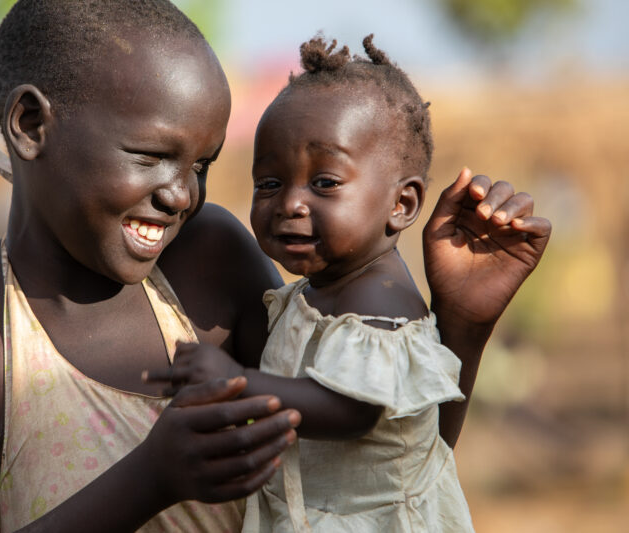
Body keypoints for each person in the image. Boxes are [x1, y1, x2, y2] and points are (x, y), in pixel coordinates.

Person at [0, 1, 550, 532]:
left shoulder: (210, 261)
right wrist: (150, 479)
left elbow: (386, 465)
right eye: (150, 156)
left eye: (202, 165)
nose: (182, 193)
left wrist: (460, 324)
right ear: (32, 125)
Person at [145, 35, 551, 532]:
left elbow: (352, 409)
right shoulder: (317, 292)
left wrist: (236, 381)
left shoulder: (380, 301)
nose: (290, 203)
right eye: (269, 183)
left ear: (401, 205)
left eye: (325, 183)